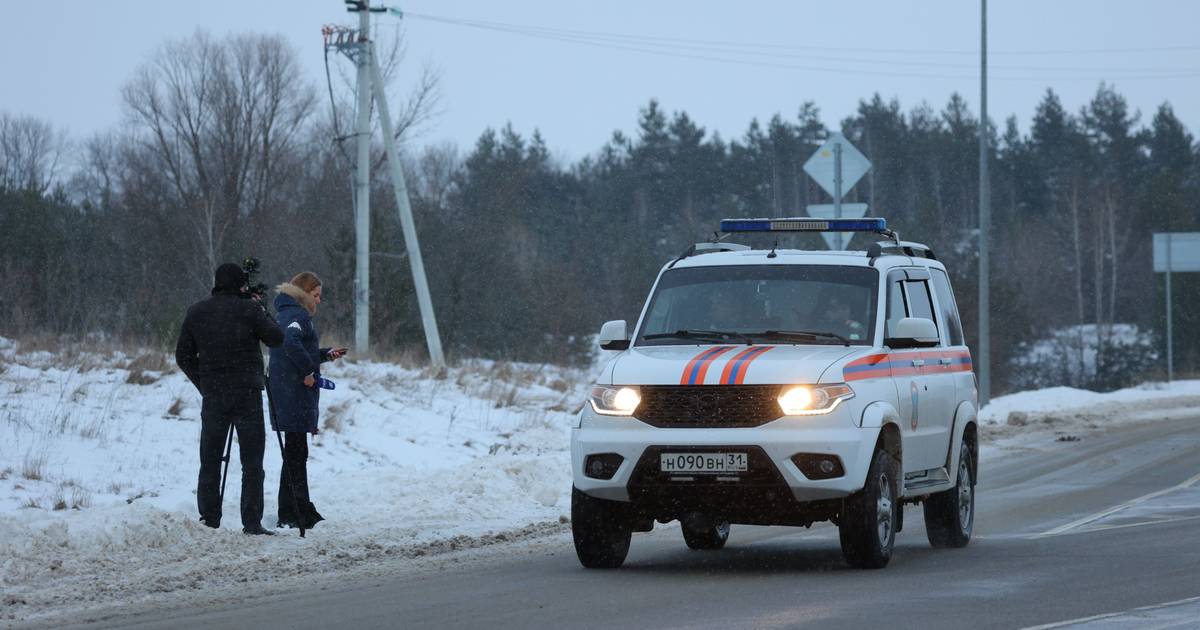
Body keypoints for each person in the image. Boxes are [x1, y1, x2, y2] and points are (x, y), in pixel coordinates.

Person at [176, 263, 284, 535]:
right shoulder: (249, 309)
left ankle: (209, 519)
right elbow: (276, 337)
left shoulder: (197, 312)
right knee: (252, 461)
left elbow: (183, 356)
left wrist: (204, 383)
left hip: (214, 395)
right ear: (241, 285)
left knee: (210, 459)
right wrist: (260, 309)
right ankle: (251, 521)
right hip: (247, 394)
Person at [268, 272, 346, 530]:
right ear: (304, 294)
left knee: (294, 453)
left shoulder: (287, 314)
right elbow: (290, 343)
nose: (319, 301)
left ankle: (294, 509)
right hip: (293, 395)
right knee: (295, 454)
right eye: (316, 295)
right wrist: (307, 373)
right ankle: (295, 512)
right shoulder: (297, 316)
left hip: (286, 392)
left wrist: (324, 355)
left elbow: (297, 348)